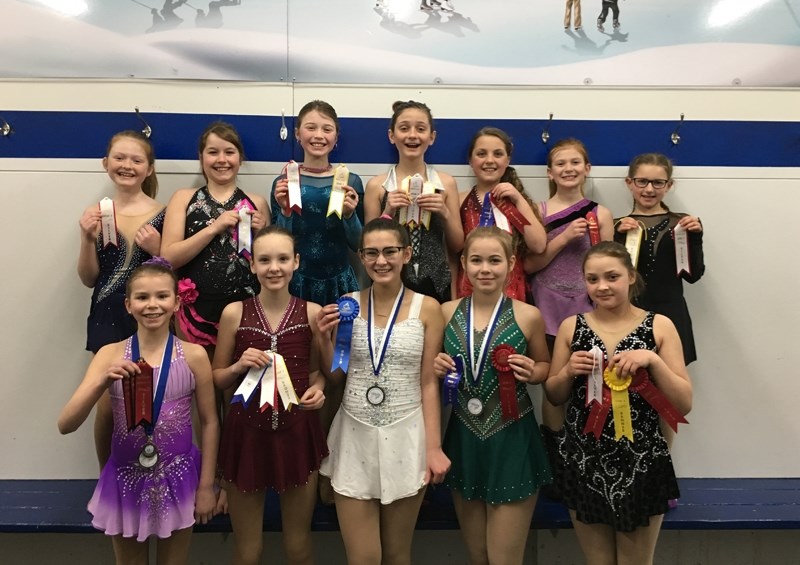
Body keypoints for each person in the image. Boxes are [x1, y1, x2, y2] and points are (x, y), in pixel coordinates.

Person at [58, 259, 219, 564]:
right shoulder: (110, 354)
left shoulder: (195, 355)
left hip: (180, 475)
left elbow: (210, 422)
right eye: (142, 298)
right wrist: (101, 382)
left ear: (176, 302)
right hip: (125, 479)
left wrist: (207, 485)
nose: (152, 305)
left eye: (162, 296)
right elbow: (66, 424)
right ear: (129, 305)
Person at [545, 242, 692, 565]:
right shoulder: (572, 327)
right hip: (584, 460)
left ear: (630, 277)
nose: (602, 286)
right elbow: (554, 395)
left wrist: (653, 360)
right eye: (592, 279)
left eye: (612, 277)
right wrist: (568, 371)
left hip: (642, 460)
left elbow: (683, 402)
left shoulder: (660, 326)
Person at [316, 218, 451, 564]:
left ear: (406, 253)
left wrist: (434, 447)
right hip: (354, 434)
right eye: (372, 253)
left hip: (407, 434)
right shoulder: (348, 304)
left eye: (390, 251)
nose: (381, 261)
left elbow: (428, 383)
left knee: (396, 554)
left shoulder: (429, 308)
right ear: (361, 257)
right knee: (363, 558)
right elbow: (336, 377)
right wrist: (322, 339)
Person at [433, 226, 552, 564]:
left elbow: (545, 366)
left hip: (512, 436)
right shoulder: (446, 312)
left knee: (504, 558)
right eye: (477, 260)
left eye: (495, 260)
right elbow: (430, 372)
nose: (485, 269)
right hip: (464, 437)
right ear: (464, 263)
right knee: (479, 554)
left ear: (511, 263)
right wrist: (436, 367)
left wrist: (535, 371)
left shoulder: (528, 315)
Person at [212, 226, 328, 565]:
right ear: (252, 265)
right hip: (245, 436)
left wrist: (319, 390)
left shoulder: (313, 312)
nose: (273, 268)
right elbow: (217, 379)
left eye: (282, 259)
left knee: (298, 546)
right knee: (248, 551)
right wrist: (237, 368)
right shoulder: (234, 313)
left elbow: (319, 373)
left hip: (297, 434)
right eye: (264, 260)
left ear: (296, 262)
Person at [525, 137, 613, 433]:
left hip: (587, 307)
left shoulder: (601, 214)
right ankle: (554, 452)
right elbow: (528, 265)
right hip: (546, 306)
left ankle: (584, 449)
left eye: (575, 162)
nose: (568, 168)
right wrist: (563, 238)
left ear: (587, 168)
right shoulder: (537, 211)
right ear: (549, 172)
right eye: (560, 163)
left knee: (590, 382)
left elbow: (609, 267)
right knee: (553, 383)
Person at [161, 121, 268, 350]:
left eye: (229, 152)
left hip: (246, 309)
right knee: (198, 380)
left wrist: (261, 234)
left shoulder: (257, 202)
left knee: (242, 378)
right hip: (195, 310)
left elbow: (269, 263)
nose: (222, 159)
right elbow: (168, 257)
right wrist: (213, 228)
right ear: (201, 158)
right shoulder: (183, 198)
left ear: (240, 158)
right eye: (213, 152)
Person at [364, 100, 463, 303]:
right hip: (391, 279)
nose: (412, 135)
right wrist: (388, 212)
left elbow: (458, 245)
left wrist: (444, 212)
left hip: (436, 280)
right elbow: (367, 246)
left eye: (420, 129)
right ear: (392, 136)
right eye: (404, 128)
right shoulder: (377, 186)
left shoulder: (446, 183)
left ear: (431, 137)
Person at [614, 153, 705, 366]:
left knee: (671, 387)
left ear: (669, 185)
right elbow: (611, 277)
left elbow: (693, 276)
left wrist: (696, 239)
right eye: (642, 181)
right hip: (629, 314)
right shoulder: (617, 224)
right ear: (630, 183)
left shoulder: (683, 224)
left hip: (672, 315)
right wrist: (616, 236)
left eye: (657, 183)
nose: (649, 189)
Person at [78, 130, 164, 355]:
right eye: (119, 158)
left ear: (149, 168)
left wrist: (158, 251)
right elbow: (88, 279)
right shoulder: (95, 213)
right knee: (108, 384)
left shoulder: (165, 214)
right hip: (106, 311)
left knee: (151, 382)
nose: (127, 165)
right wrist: (87, 239)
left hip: (150, 311)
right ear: (106, 163)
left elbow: (177, 273)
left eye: (136, 160)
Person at [271, 100, 364, 306]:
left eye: (327, 129)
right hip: (296, 281)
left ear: (336, 137)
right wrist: (285, 212)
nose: (319, 135)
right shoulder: (284, 182)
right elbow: (277, 244)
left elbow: (358, 244)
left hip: (339, 280)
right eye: (310, 128)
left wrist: (350, 215)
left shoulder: (351, 181)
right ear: (297, 134)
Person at [458, 127, 546, 301]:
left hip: (512, 291)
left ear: (508, 160)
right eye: (481, 154)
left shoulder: (518, 200)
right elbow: (453, 255)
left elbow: (539, 245)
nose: (489, 160)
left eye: (498, 154)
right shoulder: (459, 200)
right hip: (469, 289)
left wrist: (519, 201)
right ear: (470, 160)